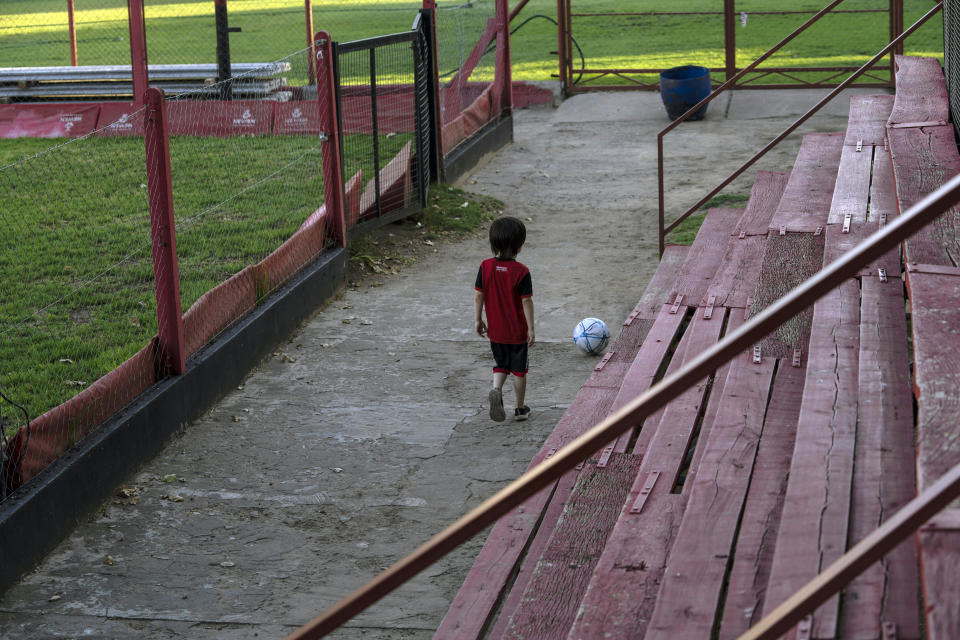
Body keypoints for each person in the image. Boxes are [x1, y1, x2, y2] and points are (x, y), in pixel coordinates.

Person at [474, 216, 535, 422]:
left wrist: (478, 319)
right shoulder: (522, 272)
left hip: (496, 332)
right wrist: (531, 328)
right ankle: (519, 409)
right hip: (516, 333)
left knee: (500, 364)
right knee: (519, 370)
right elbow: (526, 302)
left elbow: (478, 295)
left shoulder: (485, 267)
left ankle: (496, 389)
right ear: (519, 246)